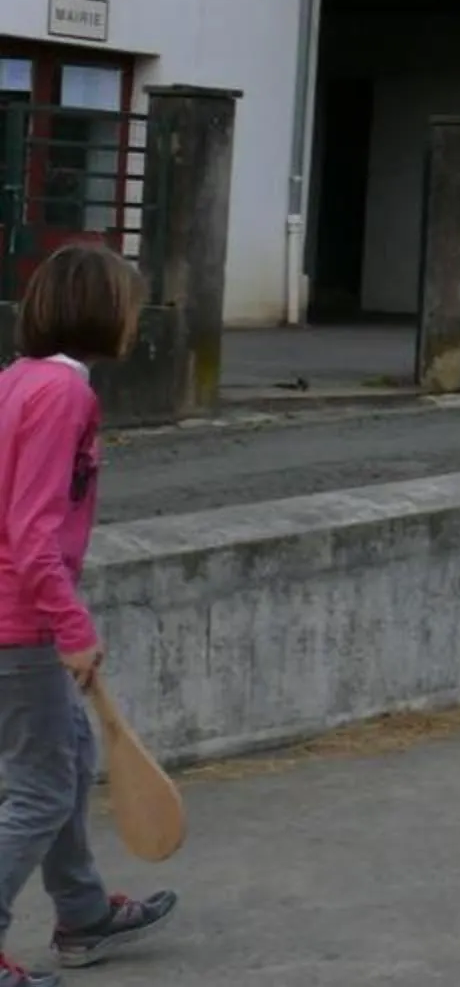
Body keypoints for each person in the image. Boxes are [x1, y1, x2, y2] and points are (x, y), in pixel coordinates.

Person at [0, 245, 178, 983]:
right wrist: (70, 629)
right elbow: (31, 531)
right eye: (130, 303)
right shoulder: (63, 396)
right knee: (41, 787)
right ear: (103, 311)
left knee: (68, 763)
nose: (136, 316)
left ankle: (81, 914)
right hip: (23, 625)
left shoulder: (18, 380)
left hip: (22, 618)